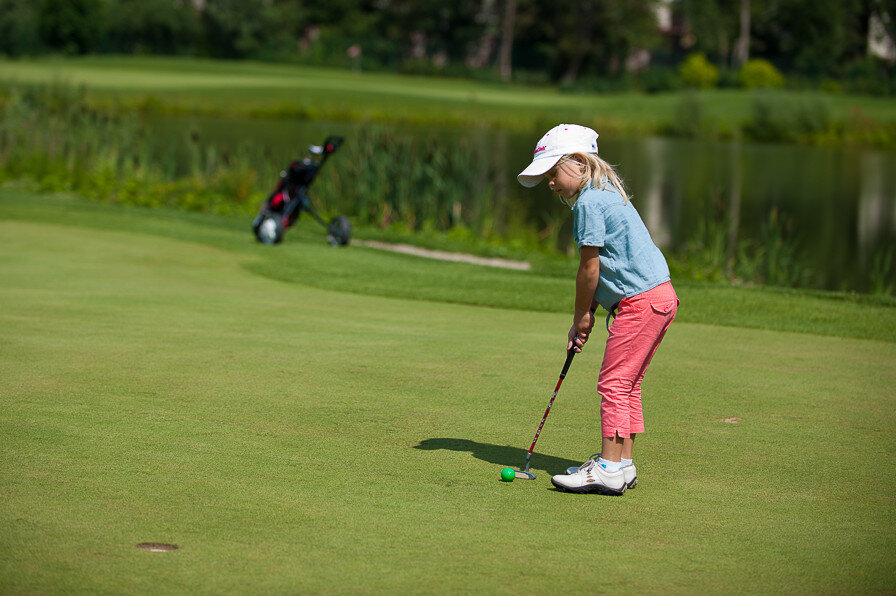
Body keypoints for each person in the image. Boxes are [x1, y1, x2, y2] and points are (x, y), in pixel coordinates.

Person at [517, 124, 679, 495]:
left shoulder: (589, 203)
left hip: (639, 303)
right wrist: (589, 311)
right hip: (658, 298)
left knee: (614, 383)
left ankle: (607, 467)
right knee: (629, 384)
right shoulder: (605, 192)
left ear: (577, 161)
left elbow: (589, 269)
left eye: (553, 172)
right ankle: (622, 464)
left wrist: (581, 316)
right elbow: (605, 266)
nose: (551, 184)